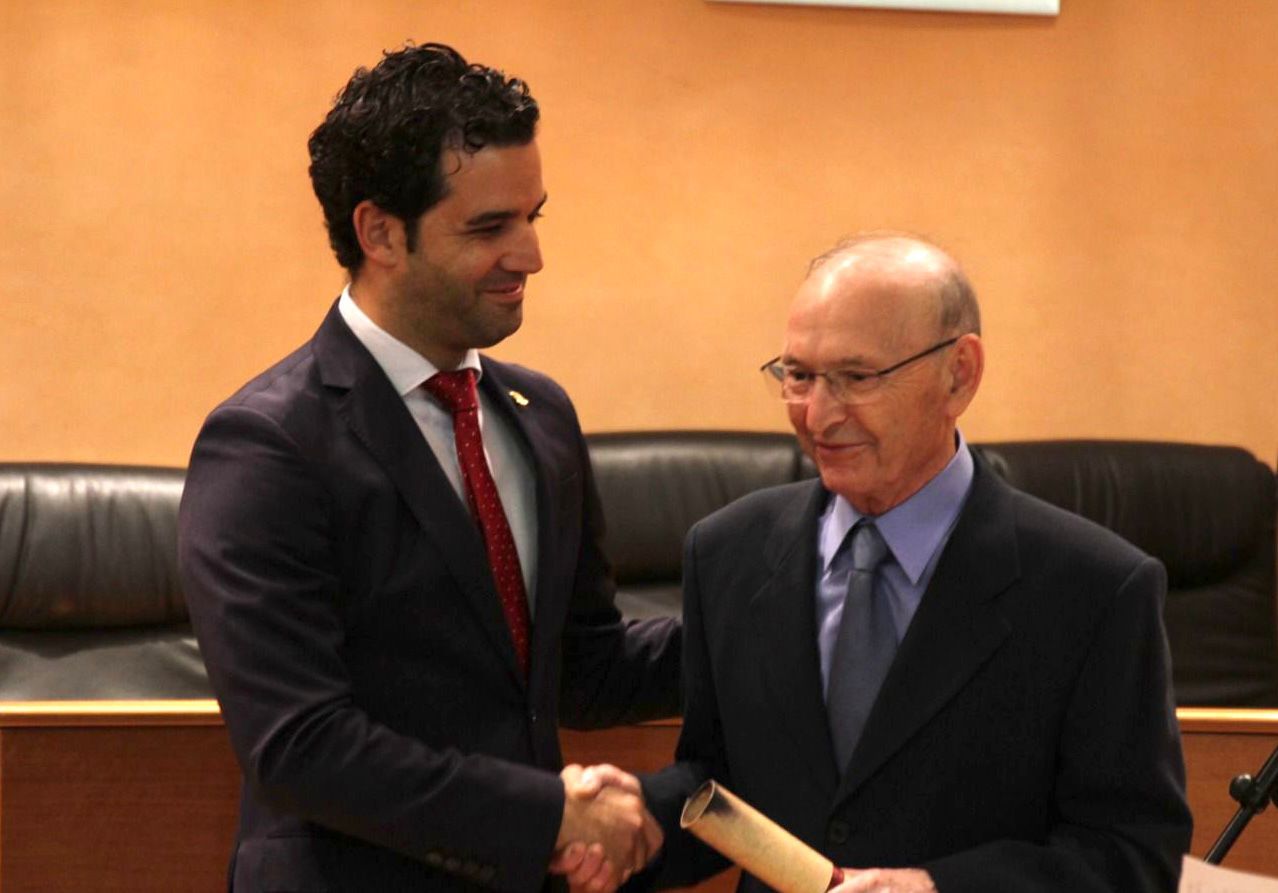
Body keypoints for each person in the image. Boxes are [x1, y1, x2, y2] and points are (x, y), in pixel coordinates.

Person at [178, 43, 679, 892]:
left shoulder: (540, 417)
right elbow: (299, 744)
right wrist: (546, 814)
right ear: (379, 232)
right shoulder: (268, 445)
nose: (530, 257)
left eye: (534, 217)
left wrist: (785, 612)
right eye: (489, 228)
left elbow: (582, 668)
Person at [639, 234, 1191, 893]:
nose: (816, 415)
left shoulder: (1096, 588)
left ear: (959, 373)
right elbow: (720, 784)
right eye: (799, 375)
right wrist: (621, 819)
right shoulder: (726, 551)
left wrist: (935, 888)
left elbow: (1131, 855)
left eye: (856, 377)